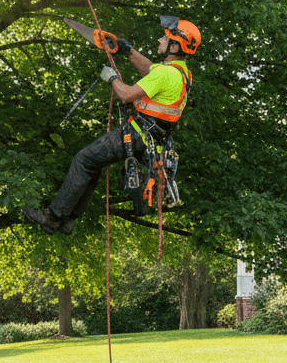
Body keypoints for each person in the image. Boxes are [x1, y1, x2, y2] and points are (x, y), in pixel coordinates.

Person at [22, 15, 199, 235]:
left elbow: (126, 95)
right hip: (151, 140)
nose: (159, 40)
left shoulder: (164, 74)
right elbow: (150, 71)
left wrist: (112, 77)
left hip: (136, 135)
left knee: (83, 159)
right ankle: (68, 220)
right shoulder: (182, 74)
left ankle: (54, 217)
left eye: (165, 37)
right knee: (92, 164)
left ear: (175, 45)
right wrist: (127, 50)